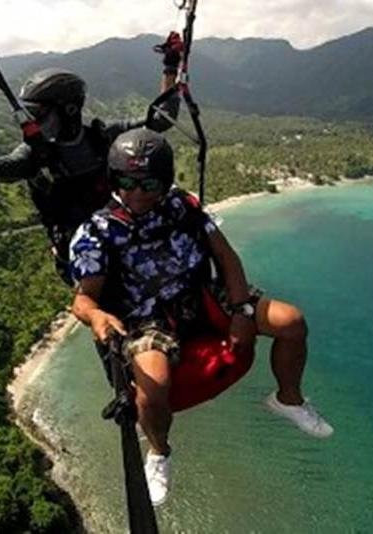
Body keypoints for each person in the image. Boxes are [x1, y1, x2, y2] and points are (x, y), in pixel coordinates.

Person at [70, 128, 333, 506]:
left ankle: (288, 398)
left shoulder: (183, 207)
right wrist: (97, 318)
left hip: (203, 296)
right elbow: (83, 300)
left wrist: (243, 309)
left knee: (292, 323)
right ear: (113, 181)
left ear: (166, 182)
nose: (138, 193)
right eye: (127, 182)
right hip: (148, 318)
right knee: (153, 382)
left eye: (149, 183)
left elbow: (226, 258)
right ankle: (159, 452)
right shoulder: (98, 231)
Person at [0, 36, 184, 284]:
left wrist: (170, 66)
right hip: (84, 263)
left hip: (124, 245)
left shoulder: (103, 137)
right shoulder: (34, 154)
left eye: (39, 115)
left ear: (69, 110)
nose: (32, 123)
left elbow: (161, 121)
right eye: (29, 115)